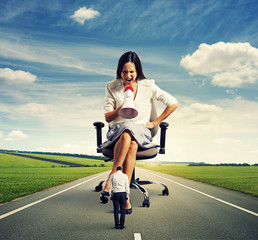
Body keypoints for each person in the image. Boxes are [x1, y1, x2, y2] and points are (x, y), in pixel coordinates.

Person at [100, 51, 178, 213]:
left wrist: (156, 122)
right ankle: (125, 197)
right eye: (124, 72)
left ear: (138, 71)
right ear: (119, 71)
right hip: (118, 131)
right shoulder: (112, 87)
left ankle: (112, 179)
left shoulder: (148, 86)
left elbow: (173, 103)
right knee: (128, 133)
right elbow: (108, 118)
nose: (128, 75)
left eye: (132, 72)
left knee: (131, 133)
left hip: (142, 130)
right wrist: (122, 108)